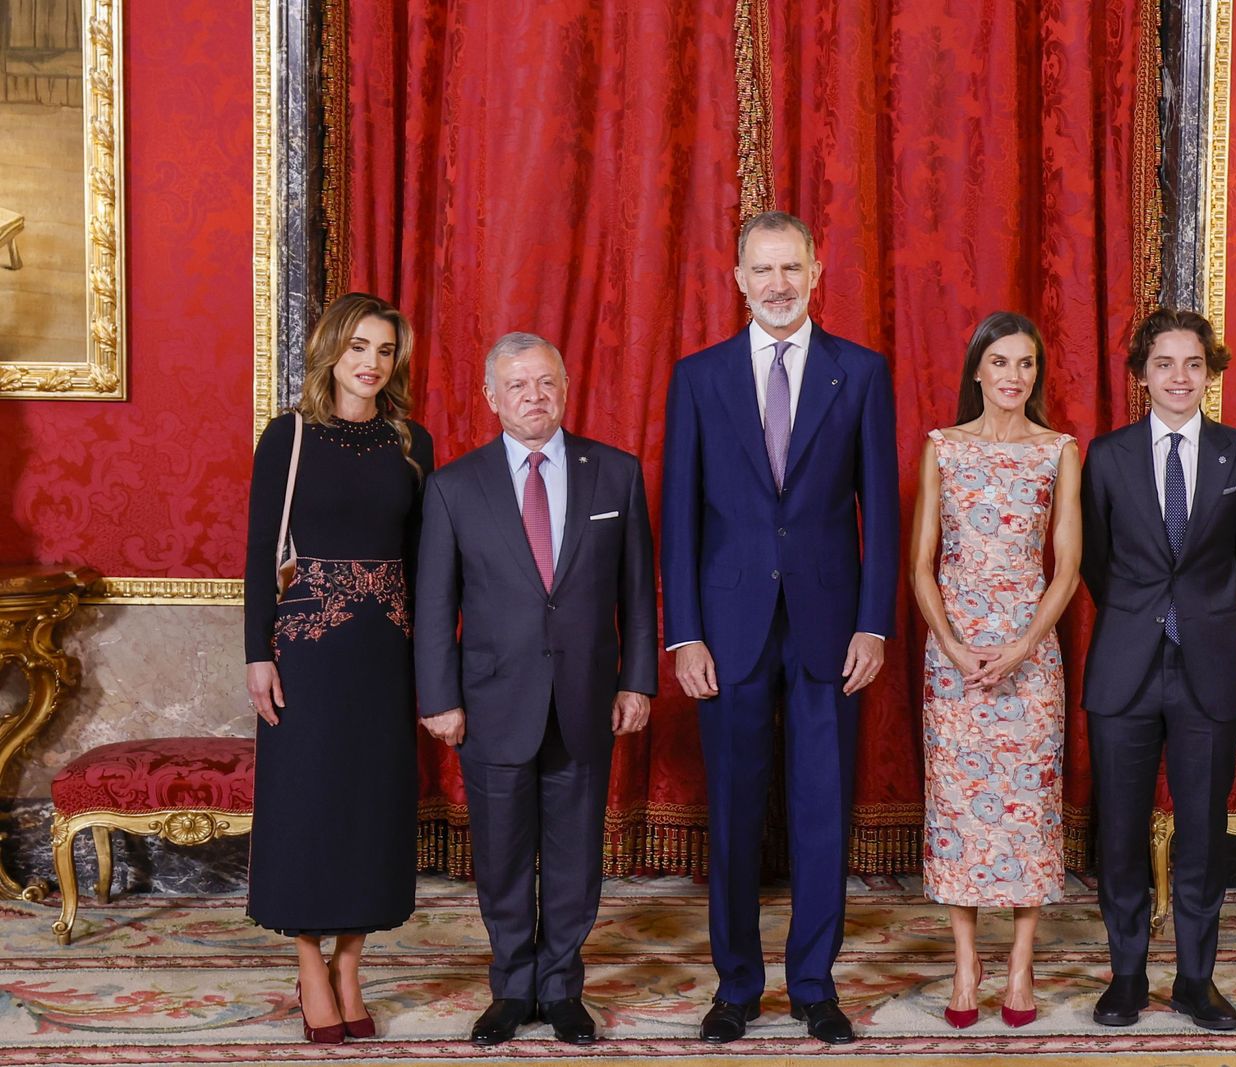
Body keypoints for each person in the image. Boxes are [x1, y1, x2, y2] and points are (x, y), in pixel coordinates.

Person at [660, 210, 899, 1045]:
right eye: (761, 270)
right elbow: (679, 514)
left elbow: (883, 509)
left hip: (833, 630)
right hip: (726, 630)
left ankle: (813, 984)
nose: (777, 284)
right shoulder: (698, 377)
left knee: (823, 806)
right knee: (730, 809)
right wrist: (683, 631)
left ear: (817, 271)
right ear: (737, 278)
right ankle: (735, 986)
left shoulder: (861, 374)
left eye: (791, 268)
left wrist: (874, 623)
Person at [413, 333, 656, 1047]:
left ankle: (563, 987)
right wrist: (440, 697)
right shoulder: (455, 486)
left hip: (586, 697)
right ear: (491, 396)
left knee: (577, 851)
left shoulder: (615, 474)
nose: (534, 397)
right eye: (518, 385)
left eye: (546, 383)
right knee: (503, 853)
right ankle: (513, 986)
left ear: (567, 385)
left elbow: (638, 594)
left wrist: (637, 680)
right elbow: (434, 605)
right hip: (491, 702)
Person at [244, 292, 434, 1044]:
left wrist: (434, 663)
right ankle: (308, 963)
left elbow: (423, 563)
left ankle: (351, 963)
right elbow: (261, 553)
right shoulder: (288, 436)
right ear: (331, 349)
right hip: (308, 651)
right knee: (307, 802)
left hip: (385, 651)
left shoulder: (412, 442)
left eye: (385, 351)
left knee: (370, 808)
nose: (371, 363)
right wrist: (258, 653)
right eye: (359, 346)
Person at [1080, 307, 1236, 1032]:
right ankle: (1127, 975)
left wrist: (1196, 609)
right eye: (1164, 363)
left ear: (1210, 372)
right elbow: (1095, 561)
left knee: (1201, 830)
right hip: (1123, 665)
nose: (1179, 377)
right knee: (1122, 832)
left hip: (1208, 665)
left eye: (1193, 364)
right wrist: (1142, 613)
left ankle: (1196, 979)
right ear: (1141, 374)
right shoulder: (1106, 455)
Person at [908, 311, 1081, 1030]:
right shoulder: (942, 447)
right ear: (977, 368)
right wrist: (949, 642)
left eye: (1027, 365)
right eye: (1001, 362)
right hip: (953, 660)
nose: (1014, 377)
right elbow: (922, 563)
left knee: (1028, 810)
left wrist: (1020, 646)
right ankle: (966, 959)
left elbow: (1067, 567)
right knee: (957, 807)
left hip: (1029, 658)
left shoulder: (1059, 450)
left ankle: (1019, 960)